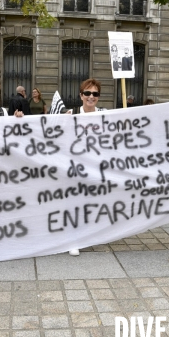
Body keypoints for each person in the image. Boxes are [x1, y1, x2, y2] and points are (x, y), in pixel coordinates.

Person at [66, 78, 106, 256]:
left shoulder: (106, 115)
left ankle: (88, 235)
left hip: (97, 168)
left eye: (95, 94)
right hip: (76, 168)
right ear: (81, 95)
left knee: (92, 204)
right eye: (87, 93)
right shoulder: (70, 114)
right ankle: (74, 240)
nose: (91, 97)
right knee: (75, 204)